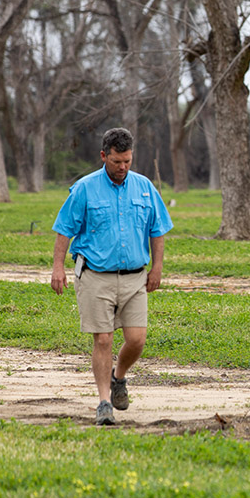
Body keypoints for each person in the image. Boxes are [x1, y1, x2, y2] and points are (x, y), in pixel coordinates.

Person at [50, 128, 174, 425]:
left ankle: (119, 377)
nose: (123, 168)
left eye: (128, 161)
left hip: (135, 277)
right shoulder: (85, 188)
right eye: (117, 161)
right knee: (103, 339)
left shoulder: (144, 188)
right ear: (104, 156)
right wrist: (57, 267)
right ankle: (104, 401)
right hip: (95, 276)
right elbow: (64, 229)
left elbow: (157, 231)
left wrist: (157, 268)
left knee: (137, 339)